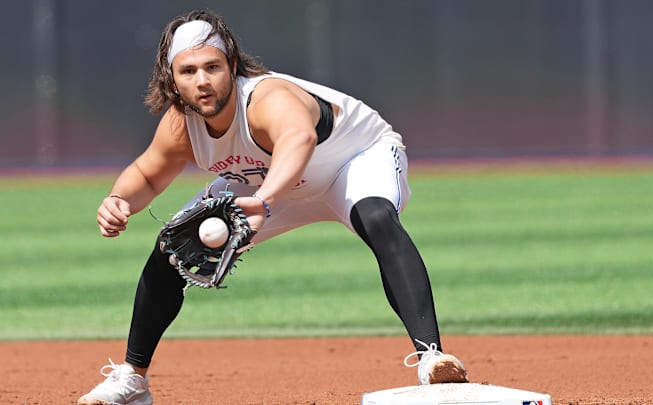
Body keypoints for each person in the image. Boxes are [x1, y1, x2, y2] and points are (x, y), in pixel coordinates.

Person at [79, 9, 468, 405]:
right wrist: (118, 200)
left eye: (212, 66)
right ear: (172, 79)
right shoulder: (182, 123)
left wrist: (267, 199)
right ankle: (132, 380)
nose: (202, 80)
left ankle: (433, 360)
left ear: (231, 67)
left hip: (352, 161)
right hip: (265, 185)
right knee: (173, 248)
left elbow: (298, 139)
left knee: (376, 218)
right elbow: (147, 174)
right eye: (189, 70)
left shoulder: (266, 99)